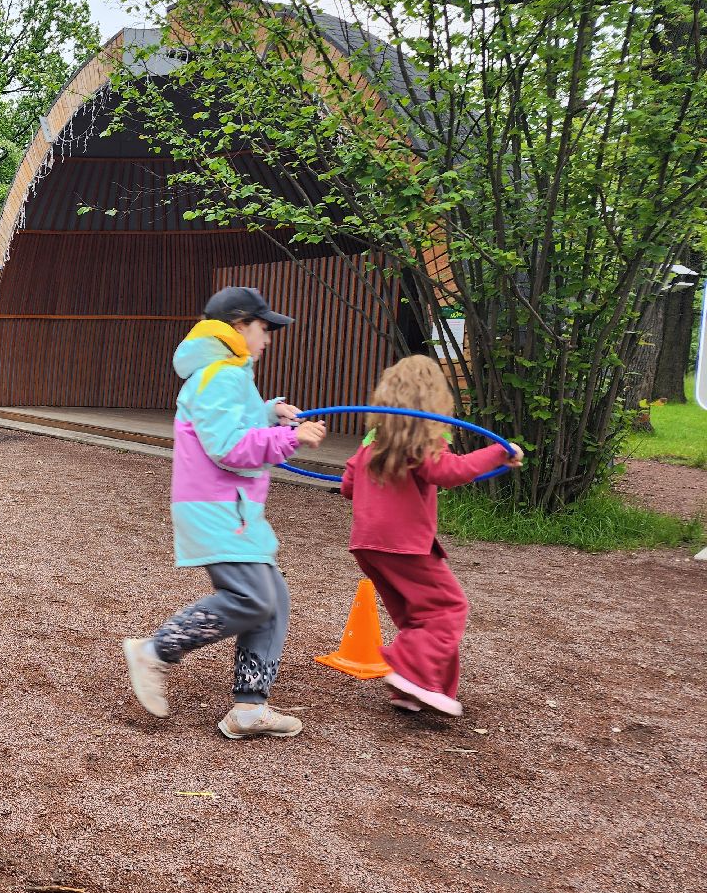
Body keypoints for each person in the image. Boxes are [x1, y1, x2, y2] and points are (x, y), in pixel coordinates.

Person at [121, 286, 326, 739]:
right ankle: (156, 651)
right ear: (238, 326)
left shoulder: (228, 374)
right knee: (252, 598)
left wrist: (270, 412)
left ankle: (250, 708)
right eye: (263, 327)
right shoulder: (221, 375)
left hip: (234, 509)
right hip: (217, 509)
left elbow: (234, 422)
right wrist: (290, 438)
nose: (268, 337)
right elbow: (229, 447)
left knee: (273, 599)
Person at [340, 355, 523, 716]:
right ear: (433, 403)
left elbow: (347, 486)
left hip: (367, 545)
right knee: (447, 608)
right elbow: (450, 472)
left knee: (420, 618)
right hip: (404, 544)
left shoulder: (372, 442)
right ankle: (412, 674)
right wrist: (498, 453)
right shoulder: (422, 441)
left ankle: (420, 690)